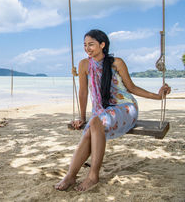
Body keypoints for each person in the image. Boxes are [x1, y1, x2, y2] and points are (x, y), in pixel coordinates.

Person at [54, 29, 171, 192]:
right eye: (85, 45)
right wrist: (81, 117)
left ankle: (93, 175)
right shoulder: (84, 65)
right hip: (102, 111)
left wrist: (158, 97)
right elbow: (83, 92)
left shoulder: (117, 63)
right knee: (90, 129)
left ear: (102, 45)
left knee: (95, 122)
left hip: (125, 108)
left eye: (91, 44)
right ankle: (71, 175)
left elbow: (131, 88)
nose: (87, 48)